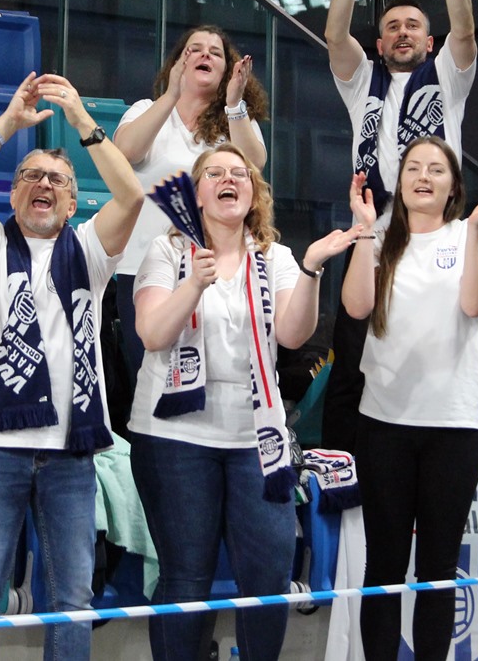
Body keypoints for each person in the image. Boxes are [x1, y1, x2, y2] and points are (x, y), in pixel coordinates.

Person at [0, 72, 143, 661]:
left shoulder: (91, 251)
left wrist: (81, 121)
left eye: (57, 179)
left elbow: (131, 197)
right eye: (30, 176)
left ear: (73, 204)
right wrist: (8, 124)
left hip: (70, 454)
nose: (44, 183)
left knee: (74, 599)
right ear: (12, 195)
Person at [128, 146, 362, 661]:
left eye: (240, 173)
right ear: (196, 194)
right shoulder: (167, 251)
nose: (228, 179)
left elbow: (293, 335)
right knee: (186, 576)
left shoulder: (275, 256)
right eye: (214, 173)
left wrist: (311, 269)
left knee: (269, 574)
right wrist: (194, 283)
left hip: (257, 437)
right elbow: (152, 334)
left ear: (253, 194)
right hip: (173, 436)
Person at [321, 0, 478, 454]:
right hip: (371, 234)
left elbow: (465, 31)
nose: (402, 32)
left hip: (434, 236)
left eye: (413, 25)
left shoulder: (449, 78)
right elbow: (334, 35)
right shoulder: (361, 80)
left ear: (429, 43)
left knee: (428, 356)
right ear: (380, 43)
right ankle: (341, 473)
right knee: (352, 363)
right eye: (392, 26)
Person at [340, 137, 478, 661]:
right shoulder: (380, 235)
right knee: (384, 567)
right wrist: (363, 230)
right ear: (400, 181)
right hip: (384, 422)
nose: (423, 177)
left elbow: (475, 303)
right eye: (413, 168)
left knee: (438, 568)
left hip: (454, 425)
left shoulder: (472, 233)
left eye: (436, 169)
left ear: (454, 186)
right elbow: (356, 308)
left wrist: (474, 228)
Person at [111, 26, 267, 383]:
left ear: (227, 70)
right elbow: (125, 152)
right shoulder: (145, 109)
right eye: (194, 49)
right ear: (177, 63)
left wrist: (234, 105)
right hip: (142, 266)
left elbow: (254, 165)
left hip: (212, 270)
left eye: (216, 52)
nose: (205, 54)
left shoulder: (235, 121)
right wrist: (171, 94)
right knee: (150, 380)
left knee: (201, 382)